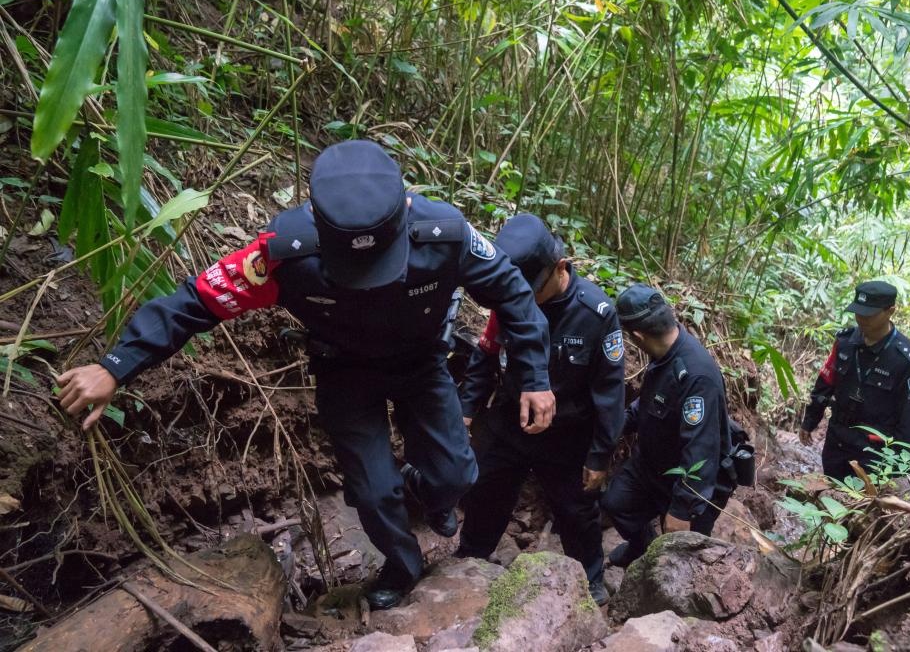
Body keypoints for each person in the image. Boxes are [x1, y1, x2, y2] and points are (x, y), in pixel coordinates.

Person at [55, 140, 555, 610]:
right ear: (319, 223)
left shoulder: (444, 234)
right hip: (345, 371)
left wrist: (534, 375)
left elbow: (513, 293)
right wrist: (114, 366)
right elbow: (196, 301)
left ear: (405, 209)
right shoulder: (285, 253)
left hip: (420, 363)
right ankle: (402, 568)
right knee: (375, 494)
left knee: (457, 475)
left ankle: (424, 491)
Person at [455, 214, 625, 605]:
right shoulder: (509, 299)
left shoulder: (596, 313)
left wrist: (600, 455)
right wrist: (466, 410)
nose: (525, 297)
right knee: (486, 491)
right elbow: (486, 356)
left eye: (534, 288)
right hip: (510, 421)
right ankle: (472, 558)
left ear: (561, 268)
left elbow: (609, 392)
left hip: (568, 432)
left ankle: (590, 581)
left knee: (577, 510)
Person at [601, 284, 734, 569]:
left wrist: (682, 507)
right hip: (653, 465)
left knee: (681, 557)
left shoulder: (697, 376)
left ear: (638, 336)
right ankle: (642, 549)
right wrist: (613, 428)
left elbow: (702, 451)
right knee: (616, 502)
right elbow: (646, 405)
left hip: (692, 479)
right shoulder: (663, 355)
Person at [799, 280, 910, 481]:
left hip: (873, 452)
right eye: (858, 312)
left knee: (864, 509)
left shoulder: (905, 360)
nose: (861, 319)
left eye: (869, 314)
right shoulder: (844, 342)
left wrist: (899, 470)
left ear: (890, 311)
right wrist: (810, 420)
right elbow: (825, 383)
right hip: (837, 444)